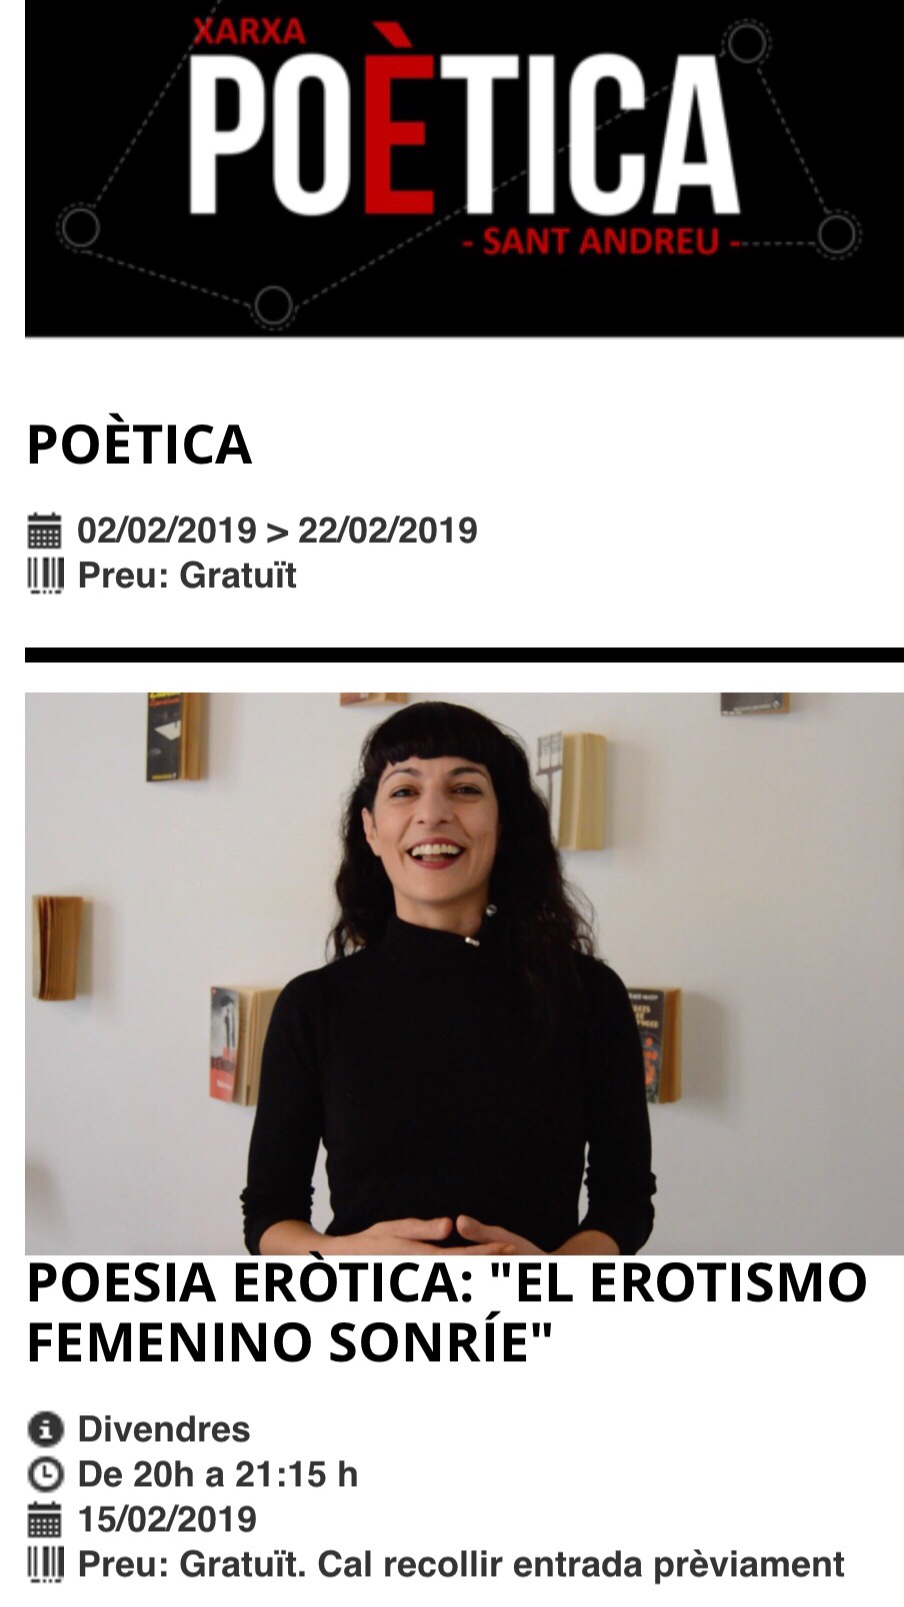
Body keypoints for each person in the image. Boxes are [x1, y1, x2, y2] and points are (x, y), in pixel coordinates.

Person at [242, 701, 655, 1256]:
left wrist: (554, 1273)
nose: (432, 814)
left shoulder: (589, 994)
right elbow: (269, 1216)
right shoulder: (312, 1005)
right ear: (371, 828)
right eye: (404, 791)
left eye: (464, 789)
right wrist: (348, 1257)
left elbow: (624, 1203)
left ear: (503, 821)